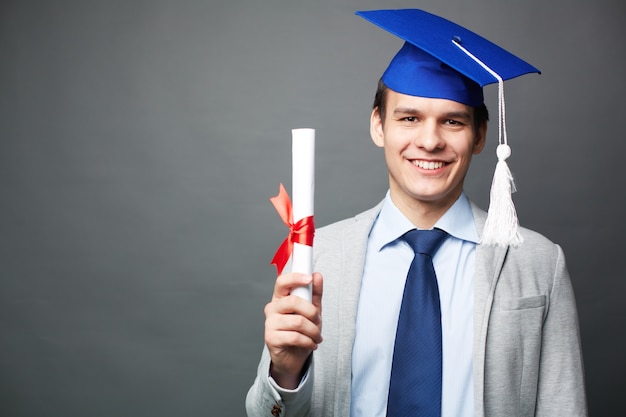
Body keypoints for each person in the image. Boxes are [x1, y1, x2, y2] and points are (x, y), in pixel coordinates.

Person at [246, 9, 587, 417]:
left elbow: (563, 407)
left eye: (452, 122)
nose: (429, 141)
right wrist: (285, 371)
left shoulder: (537, 262)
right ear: (378, 126)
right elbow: (266, 413)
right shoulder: (317, 255)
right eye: (409, 118)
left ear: (479, 136)